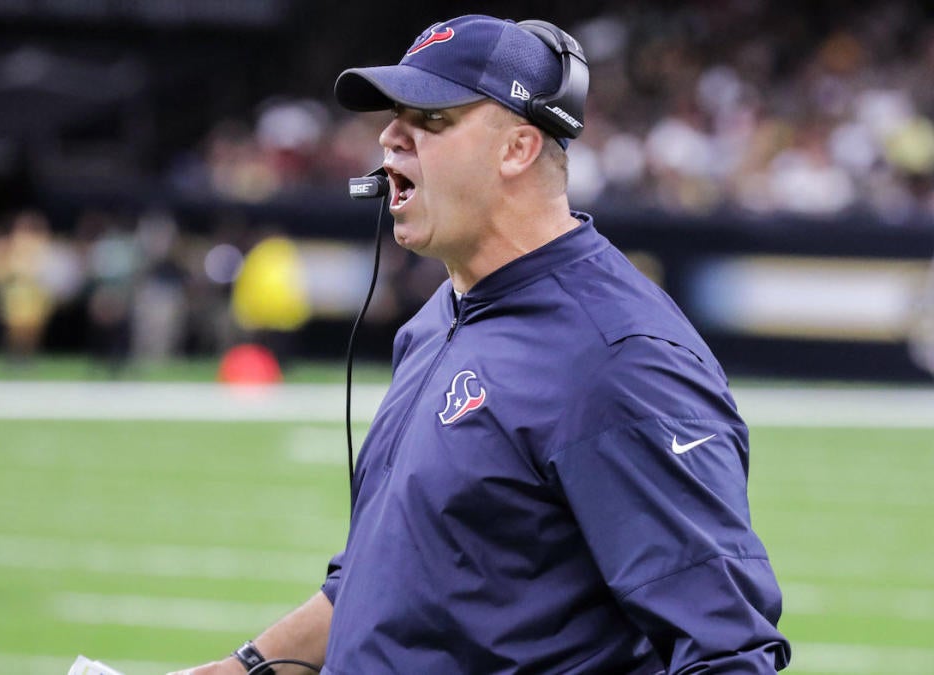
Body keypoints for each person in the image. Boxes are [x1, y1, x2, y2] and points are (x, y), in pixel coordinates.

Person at [172, 14, 789, 674]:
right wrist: (245, 667)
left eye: (431, 119)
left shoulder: (619, 357)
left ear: (519, 148)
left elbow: (726, 652)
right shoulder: (438, 317)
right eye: (393, 116)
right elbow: (382, 581)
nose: (389, 136)